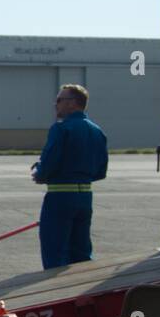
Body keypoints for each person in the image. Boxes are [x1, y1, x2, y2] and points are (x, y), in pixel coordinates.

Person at [32, 84, 107, 269]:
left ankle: (58, 294)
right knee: (81, 254)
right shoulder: (97, 131)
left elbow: (49, 162)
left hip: (60, 197)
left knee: (55, 253)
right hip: (85, 197)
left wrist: (39, 172)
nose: (55, 104)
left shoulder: (62, 128)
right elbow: (101, 171)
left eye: (59, 100)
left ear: (73, 103)